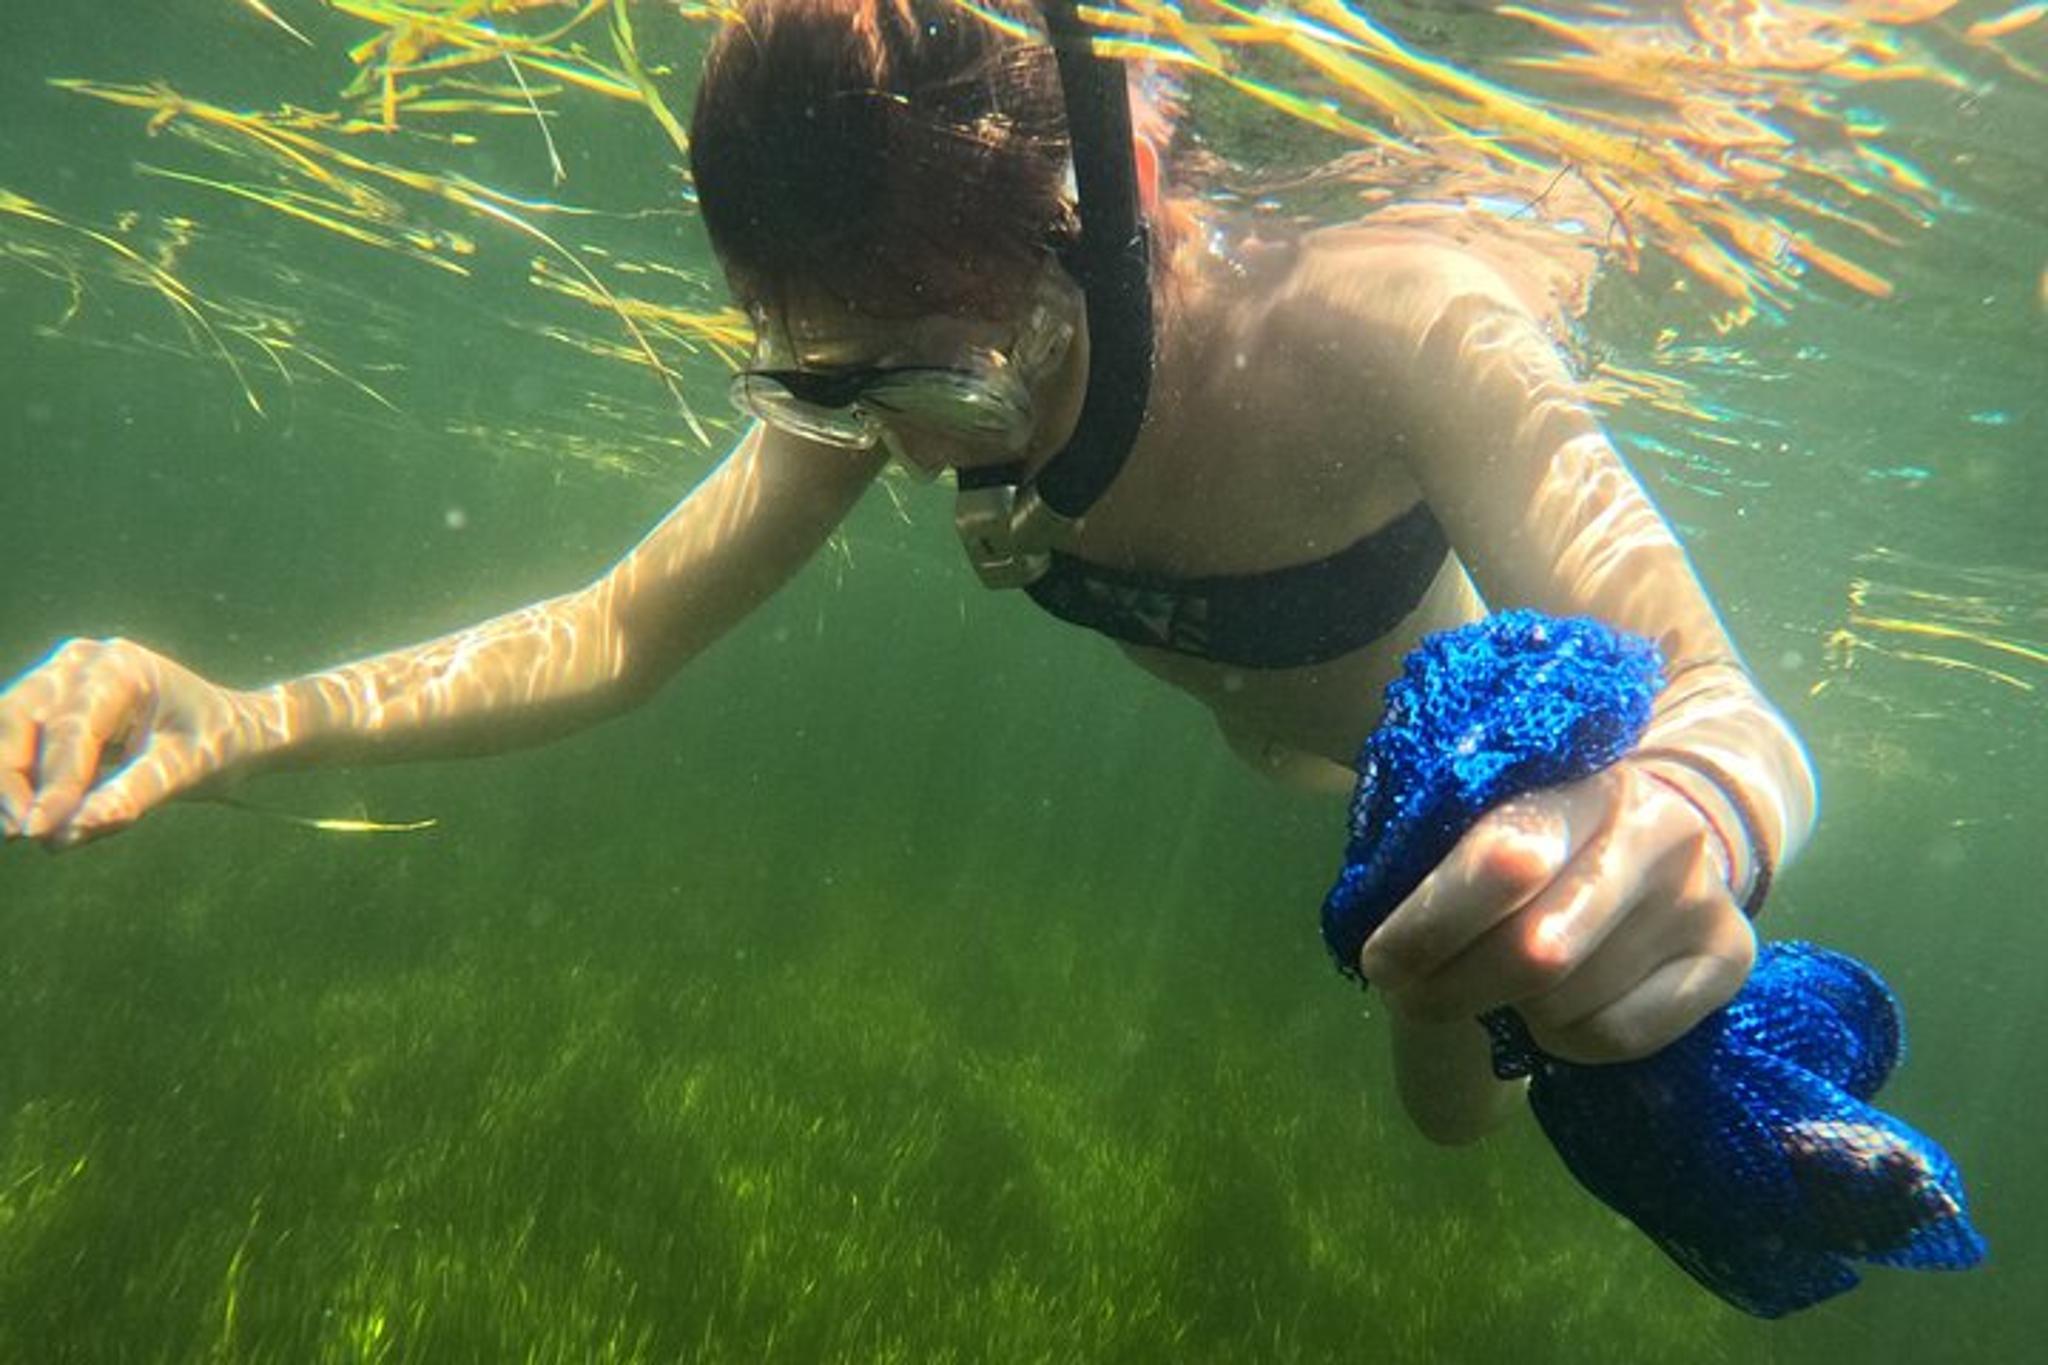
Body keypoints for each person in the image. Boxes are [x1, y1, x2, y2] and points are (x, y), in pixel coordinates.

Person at [0, 0, 1814, 1146]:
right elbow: (618, 629)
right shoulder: (898, 360)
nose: (916, 444)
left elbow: (1727, 702)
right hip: (1332, 804)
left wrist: (1694, 811)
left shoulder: (1390, 319)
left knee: (1457, 1101)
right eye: (823, 385)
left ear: (1124, 214)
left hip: (1477, 811)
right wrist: (239, 718)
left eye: (943, 381)